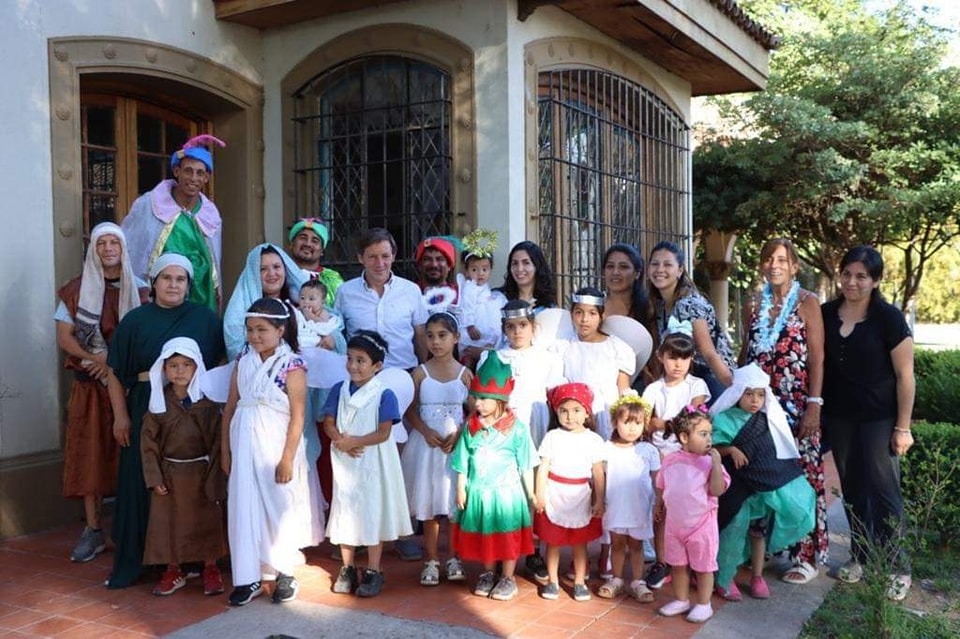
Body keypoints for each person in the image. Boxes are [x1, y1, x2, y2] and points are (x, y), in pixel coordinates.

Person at [105, 253, 224, 589]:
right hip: (147, 406)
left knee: (192, 487)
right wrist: (121, 416)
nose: (173, 285)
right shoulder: (135, 321)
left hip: (193, 413)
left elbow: (218, 365)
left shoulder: (204, 320)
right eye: (167, 278)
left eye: (180, 279)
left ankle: (195, 557)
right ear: (154, 283)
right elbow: (115, 373)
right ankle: (146, 559)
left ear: (188, 285)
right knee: (145, 479)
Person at [821, 245, 915, 601]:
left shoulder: (888, 319)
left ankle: (897, 566)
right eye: (847, 274)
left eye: (861, 276)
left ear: (875, 280)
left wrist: (902, 427)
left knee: (884, 490)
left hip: (880, 417)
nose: (852, 282)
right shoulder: (828, 313)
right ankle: (860, 556)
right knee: (853, 488)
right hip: (841, 416)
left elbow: (905, 375)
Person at [55, 222, 148, 562]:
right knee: (90, 456)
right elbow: (66, 337)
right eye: (101, 243)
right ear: (93, 249)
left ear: (123, 248)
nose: (109, 248)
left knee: (131, 457)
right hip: (90, 385)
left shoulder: (139, 290)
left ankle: (129, 528)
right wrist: (96, 358)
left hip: (126, 386)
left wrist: (113, 365)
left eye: (115, 242)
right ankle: (93, 529)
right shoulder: (74, 290)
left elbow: (143, 334)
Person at [221, 297, 318, 606]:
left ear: (280, 330)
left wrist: (287, 457)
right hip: (244, 442)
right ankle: (248, 577)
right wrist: (226, 451)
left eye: (261, 329)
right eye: (250, 329)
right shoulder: (243, 360)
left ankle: (285, 571)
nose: (254, 336)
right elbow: (231, 405)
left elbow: (298, 415)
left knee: (280, 506)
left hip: (276, 445)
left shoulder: (292, 364)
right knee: (243, 507)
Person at [740, 238, 826, 585]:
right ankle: (766, 549)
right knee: (764, 476)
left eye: (782, 259)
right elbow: (747, 352)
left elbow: (818, 357)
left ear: (794, 267)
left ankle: (806, 555)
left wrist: (814, 405)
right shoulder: (752, 304)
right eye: (768, 259)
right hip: (761, 406)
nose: (774, 265)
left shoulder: (808, 303)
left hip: (795, 403)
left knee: (802, 477)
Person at [709, 364, 816, 602]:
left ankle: (757, 577)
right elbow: (711, 446)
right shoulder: (723, 419)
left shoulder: (768, 420)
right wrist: (730, 449)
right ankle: (724, 578)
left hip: (762, 491)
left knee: (758, 534)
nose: (755, 400)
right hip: (736, 489)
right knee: (733, 532)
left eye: (760, 394)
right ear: (737, 393)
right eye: (749, 394)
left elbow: (775, 455)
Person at [324, 330, 413, 598]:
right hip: (345, 460)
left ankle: (374, 569)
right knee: (345, 511)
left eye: (361, 360)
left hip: (373, 461)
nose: (353, 366)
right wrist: (340, 440)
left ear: (377, 366)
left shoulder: (384, 394)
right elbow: (328, 421)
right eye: (350, 358)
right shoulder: (338, 390)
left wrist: (355, 441)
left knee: (373, 512)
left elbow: (384, 432)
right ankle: (348, 567)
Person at [450, 351, 538, 601]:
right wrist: (461, 486)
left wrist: (531, 493)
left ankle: (508, 577)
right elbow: (462, 458)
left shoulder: (517, 429)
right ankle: (488, 572)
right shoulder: (470, 427)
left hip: (506, 494)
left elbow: (526, 463)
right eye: (476, 397)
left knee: (506, 535)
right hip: (479, 491)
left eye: (484, 399)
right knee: (486, 535)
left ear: (500, 400)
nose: (478, 403)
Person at [141, 337, 226, 597]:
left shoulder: (207, 404)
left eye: (187, 365)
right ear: (164, 369)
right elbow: (148, 443)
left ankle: (210, 567)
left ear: (197, 367)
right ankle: (173, 569)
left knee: (206, 521)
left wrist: (214, 475)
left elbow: (216, 442)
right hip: (170, 473)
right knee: (169, 523)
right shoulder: (158, 403)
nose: (180, 371)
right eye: (174, 365)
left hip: (200, 472)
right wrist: (154, 476)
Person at [400, 312, 471, 586]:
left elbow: (476, 411)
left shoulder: (465, 375)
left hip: (453, 446)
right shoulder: (420, 373)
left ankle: (454, 557)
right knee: (429, 504)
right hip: (426, 446)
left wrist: (460, 432)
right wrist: (424, 430)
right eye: (430, 336)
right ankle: (431, 559)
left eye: (443, 335)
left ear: (456, 338)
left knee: (453, 503)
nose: (436, 342)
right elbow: (409, 409)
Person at [122, 135, 226, 312]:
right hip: (159, 293)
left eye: (200, 173)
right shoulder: (149, 204)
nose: (193, 178)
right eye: (188, 170)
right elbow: (131, 246)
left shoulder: (211, 214)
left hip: (200, 295)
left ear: (207, 177)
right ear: (177, 171)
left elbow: (214, 259)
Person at [641, 326, 710, 590]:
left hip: (689, 459)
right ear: (660, 357)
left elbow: (692, 420)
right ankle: (662, 561)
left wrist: (663, 423)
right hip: (661, 457)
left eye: (684, 357)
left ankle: (692, 562)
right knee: (661, 510)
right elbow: (646, 425)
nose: (678, 363)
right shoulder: (653, 390)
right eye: (672, 356)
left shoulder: (697, 385)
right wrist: (658, 426)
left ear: (692, 358)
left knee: (691, 510)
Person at [655, 405, 730, 624]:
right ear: (684, 437)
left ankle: (704, 604)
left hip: (701, 525)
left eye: (710, 434)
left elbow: (717, 490)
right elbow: (662, 485)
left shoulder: (709, 463)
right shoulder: (670, 460)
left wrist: (716, 464)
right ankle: (681, 599)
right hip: (675, 524)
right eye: (703, 434)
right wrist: (658, 505)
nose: (709, 439)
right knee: (678, 565)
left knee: (704, 567)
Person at [534, 382, 606, 602]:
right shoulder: (552, 437)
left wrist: (599, 500)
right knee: (553, 543)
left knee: (579, 544)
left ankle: (579, 582)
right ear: (556, 412)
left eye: (576, 410)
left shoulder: (593, 440)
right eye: (564, 411)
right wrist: (539, 495)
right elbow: (543, 467)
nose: (570, 416)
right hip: (555, 494)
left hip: (580, 496)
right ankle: (553, 581)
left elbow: (598, 473)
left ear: (586, 412)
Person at [647, 241, 733, 399]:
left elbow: (709, 353)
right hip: (681, 374)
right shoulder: (657, 304)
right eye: (655, 264)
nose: (660, 269)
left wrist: (734, 389)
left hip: (710, 375)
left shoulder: (690, 303)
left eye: (667, 264)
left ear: (680, 271)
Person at [335, 228, 429, 370]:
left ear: (393, 256)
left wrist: (422, 370)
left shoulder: (411, 290)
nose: (379, 263)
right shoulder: (345, 292)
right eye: (372, 257)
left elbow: (420, 335)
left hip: (404, 373)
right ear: (361, 258)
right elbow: (338, 335)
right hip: (360, 376)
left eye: (385, 256)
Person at [597, 391, 659, 603]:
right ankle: (616, 578)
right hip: (615, 506)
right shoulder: (607, 449)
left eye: (638, 423)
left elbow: (657, 480)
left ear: (645, 424)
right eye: (626, 422)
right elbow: (600, 477)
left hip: (639, 508)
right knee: (617, 543)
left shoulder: (649, 450)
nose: (632, 428)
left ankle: (637, 581)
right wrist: (598, 501)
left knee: (637, 545)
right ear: (615, 422)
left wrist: (659, 502)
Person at [555, 287, 635, 441]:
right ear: (572, 315)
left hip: (606, 412)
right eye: (579, 312)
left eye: (592, 313)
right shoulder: (564, 348)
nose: (584, 320)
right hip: (576, 417)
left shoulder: (616, 347)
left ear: (601, 316)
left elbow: (623, 388)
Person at [223, 243, 308, 359]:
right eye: (263, 269)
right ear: (253, 275)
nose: (272, 274)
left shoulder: (302, 301)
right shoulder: (239, 314)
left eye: (276, 267)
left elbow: (331, 329)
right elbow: (237, 354)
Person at [602, 243, 658, 384]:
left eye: (623, 267)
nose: (615, 272)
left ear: (637, 273)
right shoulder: (594, 308)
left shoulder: (648, 307)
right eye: (610, 266)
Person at [456, 232, 502, 366]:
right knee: (469, 352)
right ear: (467, 271)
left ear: (490, 270)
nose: (480, 273)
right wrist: (470, 326)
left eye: (484, 269)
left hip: (484, 321)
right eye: (475, 270)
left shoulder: (489, 291)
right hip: (473, 325)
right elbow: (467, 306)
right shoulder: (469, 288)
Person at [287, 217, 344, 306]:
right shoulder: (280, 274)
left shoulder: (332, 279)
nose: (308, 244)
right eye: (303, 238)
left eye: (315, 241)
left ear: (322, 251)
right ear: (291, 244)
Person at [495, 241, 557, 313]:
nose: (519, 269)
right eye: (515, 263)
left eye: (526, 263)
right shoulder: (498, 299)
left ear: (537, 266)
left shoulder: (548, 307)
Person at [295, 279, 344, 352]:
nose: (306, 301)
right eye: (302, 298)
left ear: (323, 302)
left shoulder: (323, 312)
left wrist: (309, 315)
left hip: (320, 339)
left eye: (311, 299)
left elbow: (323, 324)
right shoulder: (299, 311)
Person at [416, 236, 459, 310]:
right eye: (428, 259)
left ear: (449, 265)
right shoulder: (410, 293)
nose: (434, 265)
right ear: (420, 265)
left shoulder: (460, 295)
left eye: (440, 259)